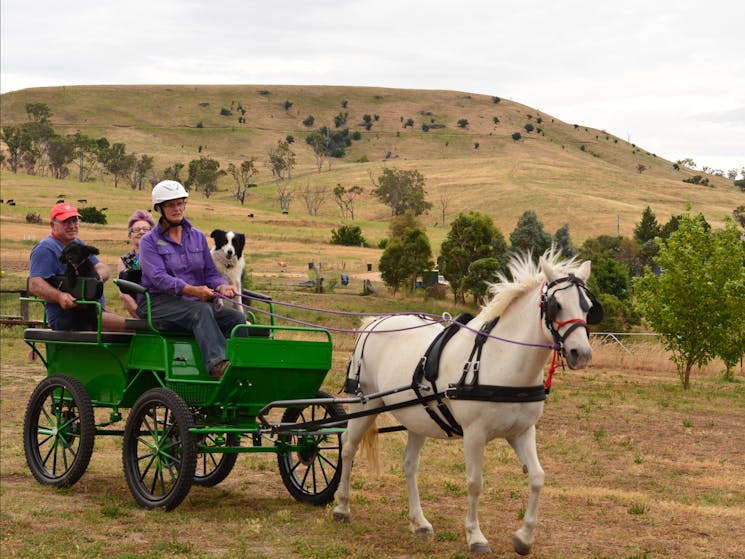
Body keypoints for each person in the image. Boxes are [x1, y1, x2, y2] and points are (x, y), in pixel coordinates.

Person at [138, 180, 245, 380]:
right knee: (201, 310)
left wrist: (221, 285)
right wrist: (194, 291)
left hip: (191, 303)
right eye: (171, 205)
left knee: (236, 319)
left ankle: (242, 366)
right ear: (159, 208)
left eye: (180, 203)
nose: (177, 209)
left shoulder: (197, 237)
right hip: (157, 303)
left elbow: (210, 273)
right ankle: (219, 366)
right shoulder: (148, 242)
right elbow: (159, 279)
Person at [28, 202, 127, 331]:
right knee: (132, 328)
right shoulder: (45, 249)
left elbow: (103, 268)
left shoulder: (77, 244)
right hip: (69, 316)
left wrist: (95, 278)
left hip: (92, 311)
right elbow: (35, 284)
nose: (72, 226)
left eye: (75, 221)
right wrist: (60, 296)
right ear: (52, 225)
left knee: (133, 327)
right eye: (66, 222)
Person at [117, 209, 156, 317]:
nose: (141, 232)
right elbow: (124, 295)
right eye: (136, 229)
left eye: (145, 229)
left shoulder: (161, 256)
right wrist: (140, 315)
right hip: (140, 311)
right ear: (130, 235)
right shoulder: (125, 260)